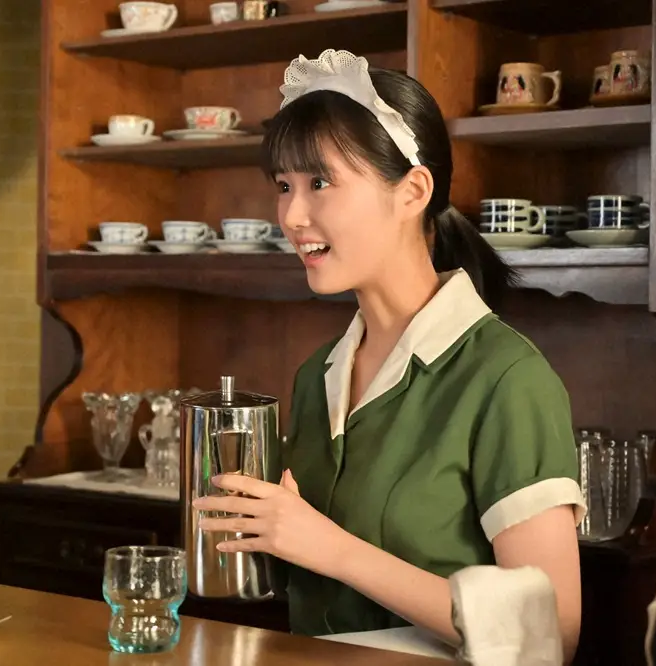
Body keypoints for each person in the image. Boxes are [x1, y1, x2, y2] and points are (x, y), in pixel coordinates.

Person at [192, 49, 585, 662]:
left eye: (320, 183)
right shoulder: (318, 376)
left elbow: (551, 630)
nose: (293, 215)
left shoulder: (507, 379)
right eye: (284, 187)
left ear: (413, 191)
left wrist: (330, 547)